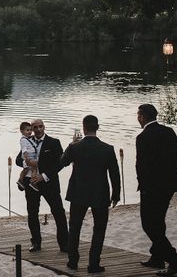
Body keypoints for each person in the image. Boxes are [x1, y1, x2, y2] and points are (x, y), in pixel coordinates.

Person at [60, 115, 120, 274]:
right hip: (100, 193)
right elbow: (115, 174)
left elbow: (62, 163)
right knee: (99, 228)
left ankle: (73, 261)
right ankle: (94, 263)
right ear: (97, 128)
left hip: (78, 192)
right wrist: (116, 195)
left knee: (74, 227)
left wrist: (71, 143)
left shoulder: (75, 147)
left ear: (84, 128)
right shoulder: (108, 149)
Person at [136, 104, 177, 276]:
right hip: (170, 185)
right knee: (158, 220)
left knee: (149, 225)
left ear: (142, 117)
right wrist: (168, 176)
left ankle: (175, 261)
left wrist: (143, 187)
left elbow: (142, 166)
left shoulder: (143, 137)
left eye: (138, 115)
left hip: (152, 188)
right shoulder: (169, 132)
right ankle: (157, 257)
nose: (138, 118)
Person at [24, 118, 69, 253]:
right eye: (35, 127)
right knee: (32, 213)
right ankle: (36, 242)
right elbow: (18, 160)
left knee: (58, 212)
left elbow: (60, 163)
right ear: (32, 129)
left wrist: (44, 176)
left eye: (40, 127)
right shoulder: (26, 141)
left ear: (44, 127)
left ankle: (64, 244)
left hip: (49, 183)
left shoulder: (54, 142)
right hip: (31, 183)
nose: (38, 130)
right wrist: (27, 163)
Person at [16, 121, 39, 192]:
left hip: (33, 157)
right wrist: (26, 159)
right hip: (28, 158)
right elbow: (24, 151)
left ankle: (33, 182)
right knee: (26, 169)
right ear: (22, 131)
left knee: (34, 168)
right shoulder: (23, 140)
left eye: (30, 130)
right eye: (27, 130)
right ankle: (21, 180)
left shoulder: (29, 139)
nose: (30, 132)